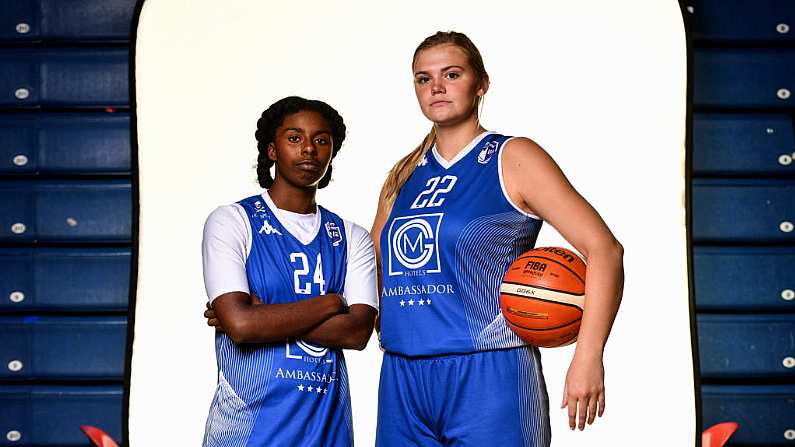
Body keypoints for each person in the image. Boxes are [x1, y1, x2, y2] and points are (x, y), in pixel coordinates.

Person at [371, 31, 624, 446]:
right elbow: (373, 264)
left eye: (451, 74)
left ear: (481, 83)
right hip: (403, 375)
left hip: (489, 371)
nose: (436, 86)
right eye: (423, 78)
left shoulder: (514, 157)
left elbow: (605, 249)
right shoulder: (403, 174)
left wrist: (588, 356)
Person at [201, 96, 378, 446]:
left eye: (321, 140)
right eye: (295, 138)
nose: (309, 149)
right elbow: (241, 326)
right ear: (272, 150)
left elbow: (357, 333)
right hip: (247, 433)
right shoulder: (233, 221)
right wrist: (330, 303)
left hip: (326, 433)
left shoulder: (351, 237)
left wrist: (263, 315)